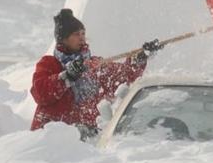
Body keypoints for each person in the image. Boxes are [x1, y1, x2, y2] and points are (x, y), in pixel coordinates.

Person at [30, 8, 163, 138]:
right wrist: (67, 77)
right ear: (63, 39)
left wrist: (139, 58)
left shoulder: (94, 65)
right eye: (76, 34)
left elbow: (123, 76)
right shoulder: (49, 63)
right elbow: (40, 93)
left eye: (83, 33)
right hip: (51, 140)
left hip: (87, 141)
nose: (82, 38)